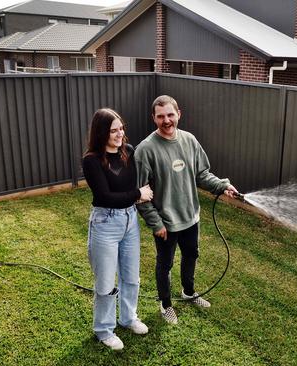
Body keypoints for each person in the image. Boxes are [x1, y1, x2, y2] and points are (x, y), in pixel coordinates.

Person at [135, 95, 238, 325]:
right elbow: (140, 195)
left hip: (191, 217)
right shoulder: (145, 150)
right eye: (160, 116)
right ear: (154, 118)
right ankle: (166, 304)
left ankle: (189, 293)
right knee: (165, 264)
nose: (166, 120)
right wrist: (156, 223)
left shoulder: (190, 140)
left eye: (170, 115)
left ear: (178, 113)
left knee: (191, 255)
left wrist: (222, 185)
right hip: (166, 223)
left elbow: (202, 174)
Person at [82, 108, 153, 351]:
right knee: (105, 282)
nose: (119, 134)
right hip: (105, 224)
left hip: (130, 221)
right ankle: (104, 329)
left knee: (131, 276)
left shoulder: (128, 152)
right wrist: (137, 195)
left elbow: (126, 191)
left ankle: (128, 318)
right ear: (101, 133)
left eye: (121, 128)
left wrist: (134, 198)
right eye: (113, 131)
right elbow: (105, 197)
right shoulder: (91, 161)